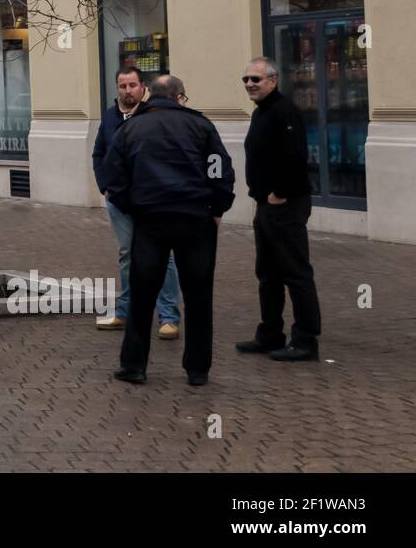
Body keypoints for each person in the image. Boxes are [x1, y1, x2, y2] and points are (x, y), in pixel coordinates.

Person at [102, 75, 235, 387]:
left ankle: (134, 365)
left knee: (142, 296)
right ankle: (197, 370)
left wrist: (132, 207)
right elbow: (220, 170)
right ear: (180, 97)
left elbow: (113, 177)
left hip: (150, 221)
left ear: (151, 94)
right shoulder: (202, 127)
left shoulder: (130, 128)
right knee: (199, 297)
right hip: (195, 220)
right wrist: (216, 209)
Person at [238, 57, 322, 362]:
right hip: (266, 206)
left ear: (272, 81)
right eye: (245, 79)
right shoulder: (262, 112)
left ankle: (306, 340)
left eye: (255, 79)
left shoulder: (284, 111)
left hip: (284, 205)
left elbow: (294, 157)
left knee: (295, 272)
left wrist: (279, 193)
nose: (249, 84)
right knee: (268, 273)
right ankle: (270, 333)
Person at [91, 67, 180, 339]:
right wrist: (105, 186)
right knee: (127, 255)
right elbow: (99, 153)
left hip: (151, 199)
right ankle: (124, 313)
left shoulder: (155, 115)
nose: (127, 90)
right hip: (119, 200)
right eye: (122, 86)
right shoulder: (109, 116)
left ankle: (169, 317)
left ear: (143, 87)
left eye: (132, 85)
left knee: (163, 256)